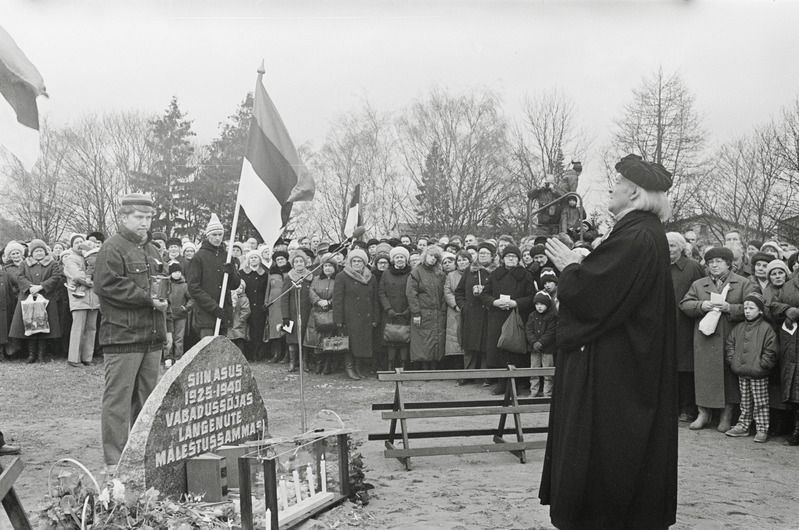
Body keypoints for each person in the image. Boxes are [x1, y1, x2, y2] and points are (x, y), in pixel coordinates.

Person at [539, 153, 678, 529]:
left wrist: (571, 266)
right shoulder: (643, 232)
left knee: (608, 457)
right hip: (627, 366)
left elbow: (592, 295)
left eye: (617, 184)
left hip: (617, 374)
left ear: (633, 193)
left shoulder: (636, 235)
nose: (612, 190)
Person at [93, 193, 168, 474]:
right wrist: (147, 298)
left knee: (148, 401)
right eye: (139, 217)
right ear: (123, 217)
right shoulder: (112, 248)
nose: (145, 223)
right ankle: (115, 462)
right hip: (123, 338)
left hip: (151, 337)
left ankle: (141, 455)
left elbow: (163, 292)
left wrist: (167, 327)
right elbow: (106, 285)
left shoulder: (154, 250)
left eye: (148, 218)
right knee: (118, 401)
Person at [680, 247, 753, 432]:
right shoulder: (699, 284)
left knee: (728, 376)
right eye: (711, 262)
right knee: (704, 375)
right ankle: (703, 413)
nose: (714, 265)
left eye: (719, 261)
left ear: (729, 264)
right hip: (705, 338)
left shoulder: (743, 283)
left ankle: (726, 415)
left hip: (731, 336)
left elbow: (753, 307)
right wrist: (701, 305)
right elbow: (684, 305)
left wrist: (730, 308)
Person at [480, 244, 535, 395]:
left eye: (514, 256)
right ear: (503, 259)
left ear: (518, 259)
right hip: (497, 316)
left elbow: (531, 297)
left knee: (514, 350)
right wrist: (494, 302)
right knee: (499, 350)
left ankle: (515, 383)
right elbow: (485, 294)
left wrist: (516, 303)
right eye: (508, 256)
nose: (511, 259)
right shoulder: (495, 273)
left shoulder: (526, 275)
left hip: (516, 317)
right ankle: (501, 383)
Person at [724, 293, 777, 442]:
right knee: (745, 401)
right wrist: (733, 360)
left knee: (760, 402)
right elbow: (730, 344)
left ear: (760, 310)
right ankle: (743, 425)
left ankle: (762, 428)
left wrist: (763, 364)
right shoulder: (739, 327)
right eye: (745, 307)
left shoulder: (767, 329)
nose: (747, 311)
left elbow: (771, 350)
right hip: (741, 371)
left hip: (758, 372)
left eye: (751, 308)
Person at [667, 232, 706, 422]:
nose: (669, 249)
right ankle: (671, 406)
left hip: (686, 322)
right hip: (664, 323)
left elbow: (701, 292)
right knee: (668, 366)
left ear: (682, 248)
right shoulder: (659, 265)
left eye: (673, 246)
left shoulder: (693, 267)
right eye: (666, 245)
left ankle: (688, 408)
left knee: (686, 367)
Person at [9, 239, 64, 363]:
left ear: (45, 251)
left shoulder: (52, 263)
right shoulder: (24, 264)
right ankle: (31, 354)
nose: (39, 253)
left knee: (43, 326)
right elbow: (20, 277)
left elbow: (56, 277)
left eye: (41, 251)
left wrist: (41, 286)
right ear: (31, 253)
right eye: (36, 251)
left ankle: (41, 355)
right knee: (30, 325)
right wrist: (30, 287)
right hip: (28, 297)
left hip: (46, 297)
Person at [186, 213, 241, 338]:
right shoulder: (198, 257)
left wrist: (232, 271)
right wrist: (213, 307)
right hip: (206, 313)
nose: (217, 238)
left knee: (222, 349)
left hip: (224, 310)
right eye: (214, 235)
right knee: (208, 349)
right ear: (208, 236)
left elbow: (234, 285)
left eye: (220, 235)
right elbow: (194, 288)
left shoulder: (227, 257)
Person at [333, 248, 379, 379]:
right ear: (350, 262)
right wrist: (338, 319)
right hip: (349, 317)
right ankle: (349, 368)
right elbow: (337, 299)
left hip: (366, 317)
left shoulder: (371, 277)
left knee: (362, 344)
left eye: (359, 261)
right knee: (349, 344)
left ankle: (358, 367)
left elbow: (375, 299)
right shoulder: (342, 276)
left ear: (364, 263)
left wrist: (375, 317)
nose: (357, 263)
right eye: (354, 261)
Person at [454, 241, 496, 380]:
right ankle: (468, 374)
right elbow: (459, 292)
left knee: (486, 347)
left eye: (486, 253)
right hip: (471, 314)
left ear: (492, 256)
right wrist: (463, 306)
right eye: (481, 253)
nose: (482, 255)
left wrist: (486, 294)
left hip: (489, 314)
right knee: (469, 346)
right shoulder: (470, 270)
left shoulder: (496, 271)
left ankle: (485, 376)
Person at [407, 245, 446, 370]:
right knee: (423, 342)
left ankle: (434, 368)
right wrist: (416, 313)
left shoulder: (439, 273)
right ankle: (424, 368)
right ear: (425, 256)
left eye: (436, 257)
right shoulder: (416, 272)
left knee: (436, 341)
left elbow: (444, 293)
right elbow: (411, 294)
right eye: (431, 256)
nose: (433, 259)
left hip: (437, 313)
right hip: (423, 313)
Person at [62, 240, 101, 367]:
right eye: (76, 242)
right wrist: (92, 281)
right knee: (78, 328)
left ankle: (87, 357)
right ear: (72, 246)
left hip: (94, 299)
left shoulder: (93, 257)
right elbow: (77, 276)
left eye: (81, 241)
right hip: (79, 298)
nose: (79, 244)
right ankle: (74, 358)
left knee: (91, 328)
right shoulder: (70, 259)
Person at [379, 246, 412, 372]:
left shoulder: (411, 273)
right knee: (391, 338)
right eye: (397, 257)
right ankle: (390, 365)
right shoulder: (386, 273)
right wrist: (388, 309)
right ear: (393, 260)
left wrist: (409, 310)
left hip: (405, 312)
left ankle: (403, 365)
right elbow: (381, 292)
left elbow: (414, 291)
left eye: (402, 257)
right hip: (390, 312)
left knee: (404, 338)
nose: (399, 260)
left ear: (406, 259)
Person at [281, 249, 313, 373]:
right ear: (293, 264)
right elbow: (284, 298)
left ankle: (304, 362)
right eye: (296, 261)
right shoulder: (289, 278)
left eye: (301, 261)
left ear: (305, 263)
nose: (299, 263)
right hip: (292, 313)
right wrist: (285, 316)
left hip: (307, 313)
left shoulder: (310, 276)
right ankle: (292, 362)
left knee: (305, 338)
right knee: (292, 339)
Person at [308, 254, 338, 374]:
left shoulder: (338, 279)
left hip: (331, 313)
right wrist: (318, 301)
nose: (327, 268)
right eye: (325, 265)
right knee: (317, 340)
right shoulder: (316, 279)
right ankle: (318, 364)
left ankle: (327, 365)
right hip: (317, 312)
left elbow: (339, 294)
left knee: (329, 340)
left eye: (330, 266)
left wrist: (329, 302)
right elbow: (311, 291)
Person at [525, 291, 557, 397]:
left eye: (542, 304)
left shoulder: (552, 316)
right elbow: (528, 330)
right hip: (534, 349)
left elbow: (551, 332)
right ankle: (533, 391)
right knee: (534, 370)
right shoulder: (532, 315)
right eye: (537, 304)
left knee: (548, 371)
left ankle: (547, 392)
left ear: (547, 305)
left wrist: (541, 342)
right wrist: (534, 342)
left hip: (548, 348)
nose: (539, 307)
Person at [240, 250, 269, 362]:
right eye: (251, 258)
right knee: (247, 330)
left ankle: (258, 354)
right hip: (246, 305)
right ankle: (248, 354)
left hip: (260, 306)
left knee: (258, 330)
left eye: (256, 258)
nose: (253, 260)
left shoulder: (265, 274)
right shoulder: (242, 273)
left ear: (260, 260)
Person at [443, 250, 471, 363]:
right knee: (454, 340)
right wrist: (456, 305)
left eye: (464, 259)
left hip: (470, 310)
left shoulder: (475, 273)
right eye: (459, 260)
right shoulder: (451, 275)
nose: (462, 262)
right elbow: (447, 291)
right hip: (455, 311)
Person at [264, 250, 290, 362]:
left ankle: (287, 355)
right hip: (274, 304)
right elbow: (267, 288)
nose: (280, 261)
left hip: (286, 304)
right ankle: (276, 354)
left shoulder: (290, 272)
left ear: (286, 260)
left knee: (287, 329)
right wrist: (266, 301)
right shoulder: (271, 273)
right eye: (278, 259)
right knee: (275, 329)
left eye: (282, 259)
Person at [165, 262, 190, 366]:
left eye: (179, 271)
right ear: (170, 273)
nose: (177, 274)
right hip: (168, 315)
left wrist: (186, 308)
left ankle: (178, 357)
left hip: (181, 315)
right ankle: (168, 357)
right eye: (175, 271)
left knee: (179, 338)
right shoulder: (166, 284)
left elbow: (191, 299)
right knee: (168, 337)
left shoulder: (185, 285)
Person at [226, 280, 251, 354]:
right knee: (231, 341)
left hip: (240, 324)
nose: (239, 289)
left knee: (239, 341)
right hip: (232, 323)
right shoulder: (232, 298)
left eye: (241, 288)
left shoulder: (244, 299)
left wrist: (241, 319)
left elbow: (246, 311)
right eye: (238, 288)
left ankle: (240, 355)